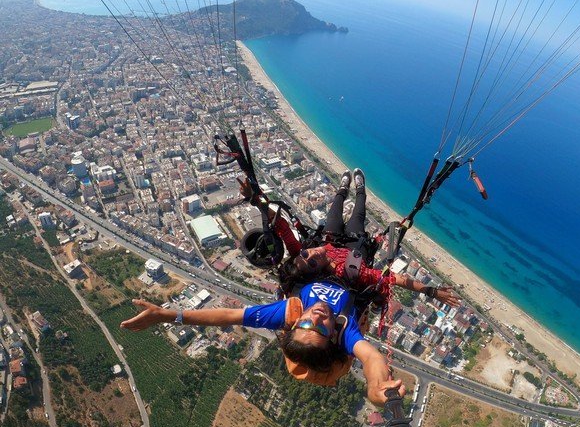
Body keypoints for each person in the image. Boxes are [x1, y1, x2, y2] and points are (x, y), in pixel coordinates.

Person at [119, 279, 405, 407]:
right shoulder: (344, 331)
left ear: (295, 324)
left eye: (306, 324)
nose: (316, 317)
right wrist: (375, 390)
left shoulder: (288, 313)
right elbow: (371, 358)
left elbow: (229, 316)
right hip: (350, 280)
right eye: (320, 328)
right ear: (332, 336)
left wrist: (169, 315)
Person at [244, 168, 461, 308]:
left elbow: (282, 227)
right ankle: (360, 190)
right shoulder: (347, 273)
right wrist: (431, 291)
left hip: (329, 239)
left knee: (335, 209)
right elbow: (392, 279)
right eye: (312, 262)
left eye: (305, 254)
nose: (311, 254)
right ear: (318, 272)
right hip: (353, 248)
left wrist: (256, 201)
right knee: (358, 213)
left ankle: (342, 188)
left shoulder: (300, 256)